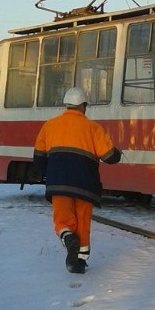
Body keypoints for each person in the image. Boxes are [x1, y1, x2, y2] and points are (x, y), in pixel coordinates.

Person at [33, 87, 121, 274]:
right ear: (82, 106)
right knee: (82, 223)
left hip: (59, 183)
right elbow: (109, 156)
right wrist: (118, 154)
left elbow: (38, 157)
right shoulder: (93, 128)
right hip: (85, 185)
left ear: (68, 105)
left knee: (63, 220)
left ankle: (68, 238)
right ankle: (79, 262)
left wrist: (49, 175)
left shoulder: (49, 125)